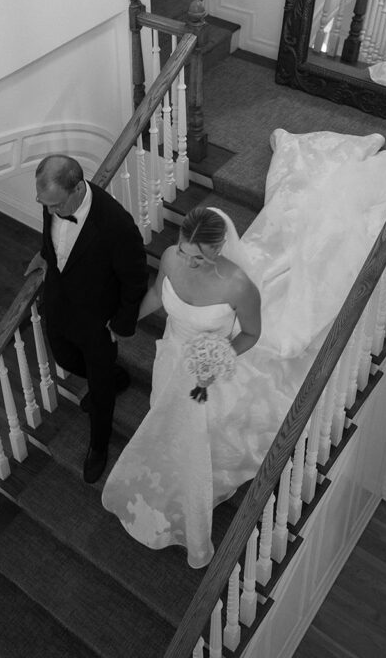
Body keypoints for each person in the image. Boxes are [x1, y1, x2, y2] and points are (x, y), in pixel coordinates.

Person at [101, 206, 299, 568]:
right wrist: (124, 324)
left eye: (200, 258)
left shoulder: (239, 286)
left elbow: (252, 334)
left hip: (209, 375)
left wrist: (220, 355)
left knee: (200, 437)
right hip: (171, 359)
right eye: (184, 251)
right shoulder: (171, 260)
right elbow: (159, 296)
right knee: (165, 420)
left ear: (220, 248)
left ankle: (194, 490)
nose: (188, 263)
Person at [26, 155, 148, 483]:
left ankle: (98, 445)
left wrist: (121, 324)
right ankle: (115, 377)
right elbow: (51, 233)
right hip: (59, 302)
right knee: (64, 356)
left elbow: (136, 277)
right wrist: (45, 255)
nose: (50, 211)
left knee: (100, 384)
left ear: (78, 188)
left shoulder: (116, 225)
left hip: (98, 319)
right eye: (45, 204)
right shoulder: (53, 202)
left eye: (55, 205)